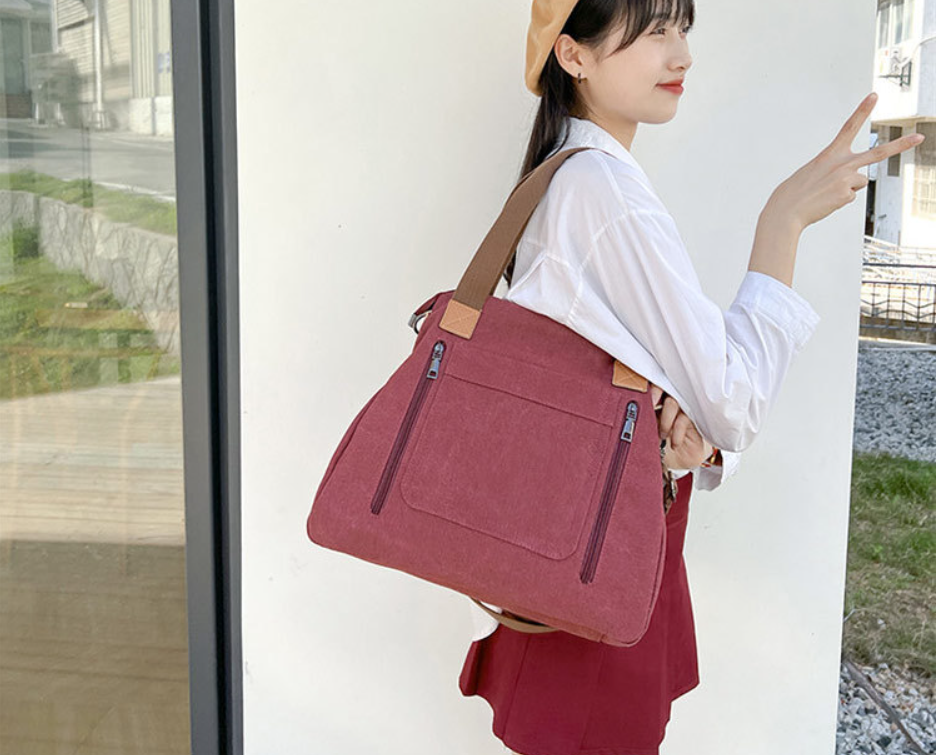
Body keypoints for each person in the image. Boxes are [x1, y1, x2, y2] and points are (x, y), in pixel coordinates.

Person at [457, 1, 925, 754]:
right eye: (654, 31)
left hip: (573, 552)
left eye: (683, 28)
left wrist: (681, 436)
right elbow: (731, 402)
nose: (682, 55)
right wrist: (782, 222)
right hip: (599, 563)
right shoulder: (605, 194)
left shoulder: (564, 175)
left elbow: (610, 390)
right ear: (573, 56)